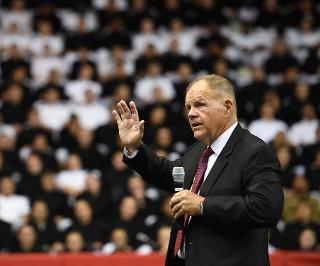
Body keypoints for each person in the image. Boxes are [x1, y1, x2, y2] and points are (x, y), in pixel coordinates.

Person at [112, 74, 284, 266]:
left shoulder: (255, 152)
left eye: (200, 104)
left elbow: (266, 208)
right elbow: (169, 174)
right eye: (188, 107)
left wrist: (203, 205)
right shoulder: (198, 150)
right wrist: (135, 147)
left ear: (227, 107)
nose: (191, 113)